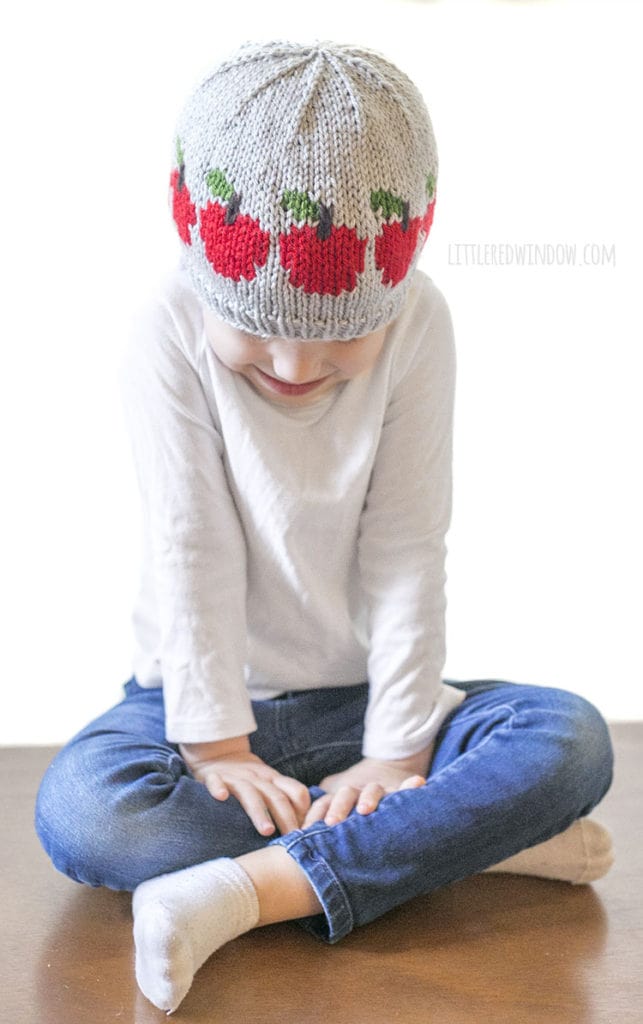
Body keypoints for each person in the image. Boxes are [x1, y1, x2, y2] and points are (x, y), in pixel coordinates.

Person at [34, 40, 615, 1014]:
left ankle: (245, 889)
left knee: (570, 738)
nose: (297, 367)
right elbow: (193, 546)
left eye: (340, 332)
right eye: (258, 328)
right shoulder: (165, 329)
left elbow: (405, 547)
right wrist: (217, 746)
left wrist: (394, 753)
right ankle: (463, 843)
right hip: (198, 700)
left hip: (368, 702)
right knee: (88, 813)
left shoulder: (422, 327)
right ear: (205, 276)